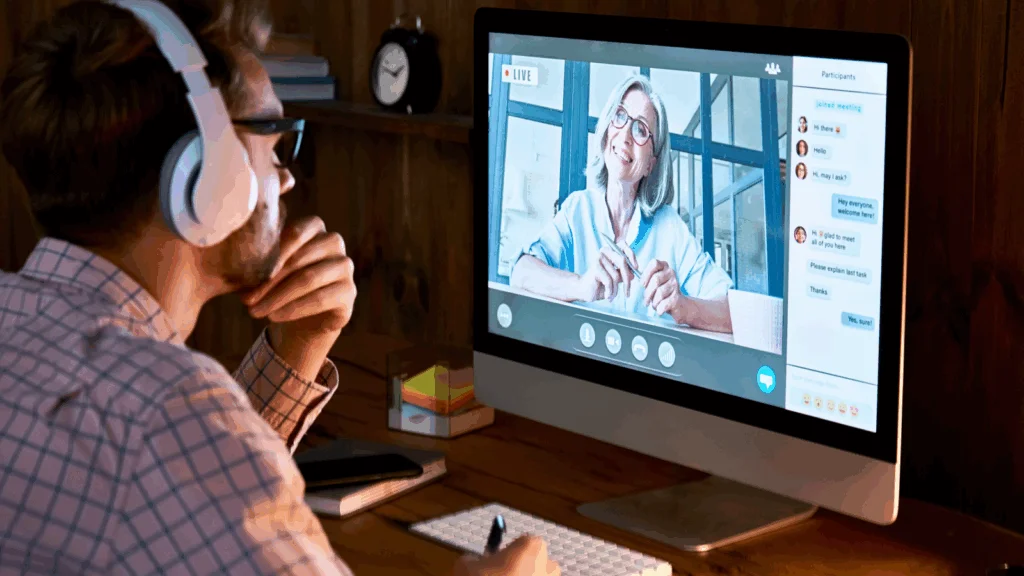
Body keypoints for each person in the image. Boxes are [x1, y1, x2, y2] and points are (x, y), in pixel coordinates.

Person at [0, 1, 557, 575]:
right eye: (272, 140)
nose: (287, 176)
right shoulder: (164, 412)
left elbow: (187, 510)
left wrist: (300, 347)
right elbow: (174, 453)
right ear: (206, 177)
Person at [510, 75, 733, 333]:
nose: (625, 135)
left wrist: (683, 307)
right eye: (620, 116)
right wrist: (581, 285)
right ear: (606, 131)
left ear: (651, 163)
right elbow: (521, 273)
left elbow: (730, 310)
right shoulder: (577, 209)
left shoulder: (670, 227)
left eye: (640, 129)